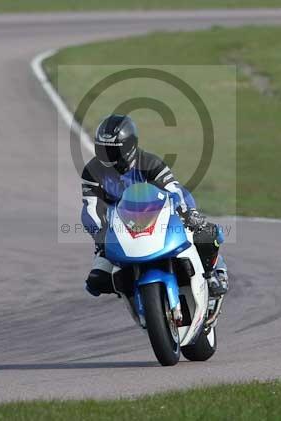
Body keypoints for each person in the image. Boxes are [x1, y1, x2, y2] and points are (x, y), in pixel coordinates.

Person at [80, 114, 228, 298]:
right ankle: (132, 292)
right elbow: (90, 207)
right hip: (120, 229)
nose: (107, 156)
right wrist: (99, 234)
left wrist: (189, 212)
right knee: (97, 281)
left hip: (160, 219)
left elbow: (174, 189)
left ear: (129, 147)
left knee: (206, 234)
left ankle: (213, 272)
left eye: (113, 151)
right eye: (102, 149)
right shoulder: (92, 171)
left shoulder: (149, 162)